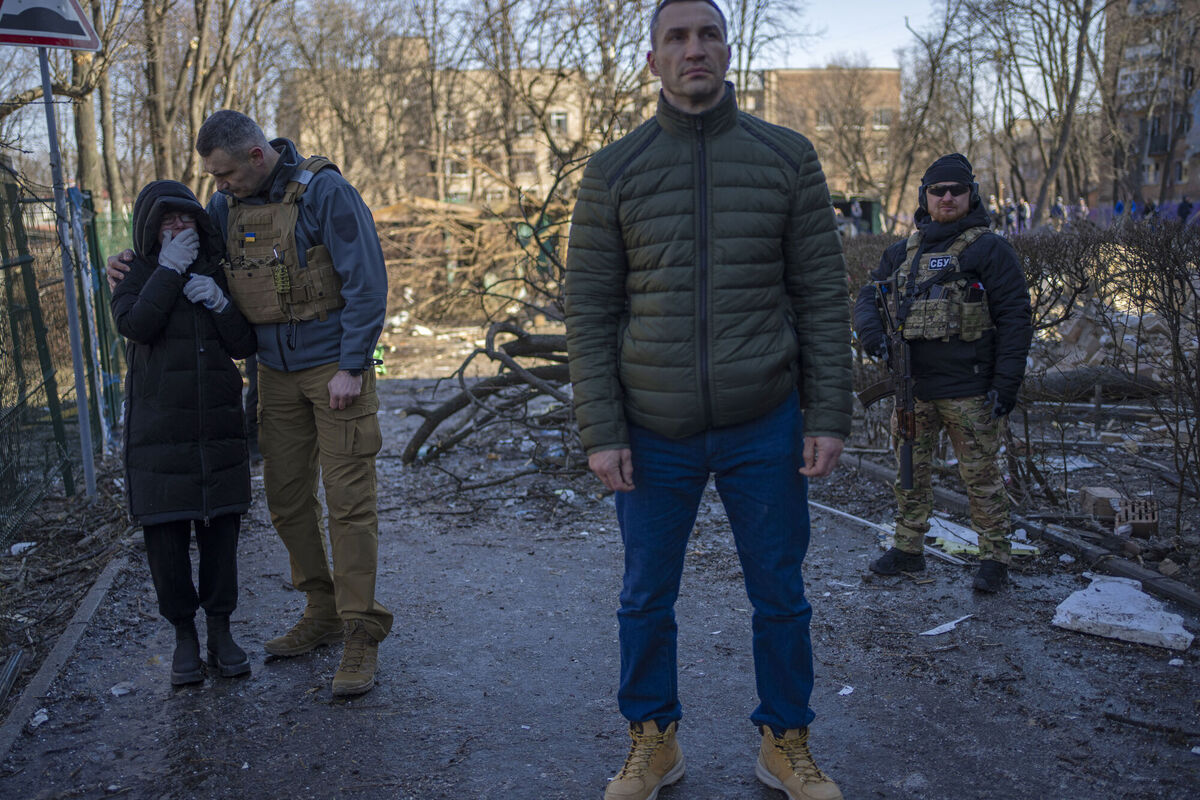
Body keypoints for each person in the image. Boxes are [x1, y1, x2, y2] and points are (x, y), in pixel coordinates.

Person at [564, 2, 851, 798]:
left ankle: (784, 741)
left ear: (729, 49)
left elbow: (821, 296)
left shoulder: (786, 157)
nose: (695, 49)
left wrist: (827, 414)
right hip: (653, 429)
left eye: (709, 34)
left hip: (766, 418)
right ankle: (653, 740)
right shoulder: (613, 171)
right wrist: (603, 429)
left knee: (781, 595)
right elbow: (589, 309)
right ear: (652, 61)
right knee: (645, 595)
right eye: (677, 38)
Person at [108, 111, 392, 697]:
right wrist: (127, 264)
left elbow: (367, 280)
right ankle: (322, 610)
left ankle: (360, 631)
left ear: (257, 157)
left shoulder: (326, 192)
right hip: (273, 375)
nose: (218, 185)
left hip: (333, 370)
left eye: (225, 173)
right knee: (287, 502)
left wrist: (352, 364)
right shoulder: (225, 208)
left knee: (348, 504)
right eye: (213, 177)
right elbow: (188, 252)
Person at [853, 153, 1032, 593]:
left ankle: (994, 560)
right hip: (913, 387)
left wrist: (1005, 384)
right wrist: (874, 336)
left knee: (981, 477)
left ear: (971, 195)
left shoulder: (988, 249)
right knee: (909, 473)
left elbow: (1015, 317)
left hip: (969, 389)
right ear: (925, 196)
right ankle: (908, 550)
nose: (947, 197)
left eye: (956, 190)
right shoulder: (903, 251)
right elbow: (868, 297)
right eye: (938, 190)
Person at [111, 180, 257, 685]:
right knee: (166, 539)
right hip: (160, 434)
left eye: (186, 219)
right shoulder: (134, 273)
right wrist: (169, 271)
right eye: (168, 221)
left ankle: (221, 632)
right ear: (151, 229)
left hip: (216, 429)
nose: (179, 228)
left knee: (221, 536)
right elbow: (135, 324)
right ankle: (184, 637)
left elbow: (243, 342)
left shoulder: (219, 270)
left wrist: (219, 302)